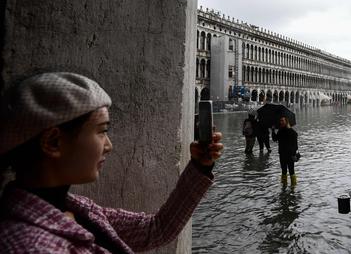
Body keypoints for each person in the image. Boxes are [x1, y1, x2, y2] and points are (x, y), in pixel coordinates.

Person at [0, 72, 224, 253]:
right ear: (53, 142)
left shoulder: (77, 209)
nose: (108, 145)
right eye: (101, 131)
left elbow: (156, 229)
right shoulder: (31, 246)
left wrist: (199, 167)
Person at [271, 116, 298, 185]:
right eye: (280, 121)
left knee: (291, 171)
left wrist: (294, 154)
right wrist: (273, 131)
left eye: (283, 120)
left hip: (290, 155)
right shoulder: (280, 131)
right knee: (283, 171)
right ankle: (284, 186)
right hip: (282, 154)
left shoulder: (292, 132)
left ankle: (293, 187)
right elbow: (275, 139)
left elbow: (295, 145)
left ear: (286, 121)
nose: (281, 122)